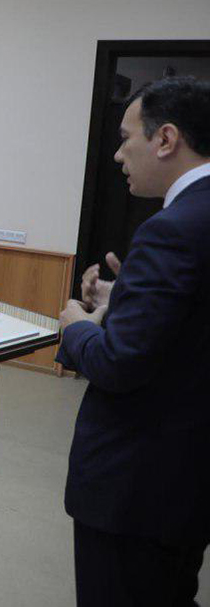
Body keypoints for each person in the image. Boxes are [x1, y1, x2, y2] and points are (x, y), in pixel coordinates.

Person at [55, 77, 210, 605]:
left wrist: (76, 323)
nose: (118, 153)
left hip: (138, 484)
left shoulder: (171, 228)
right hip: (187, 474)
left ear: (165, 139)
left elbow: (119, 363)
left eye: (125, 138)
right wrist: (123, 298)